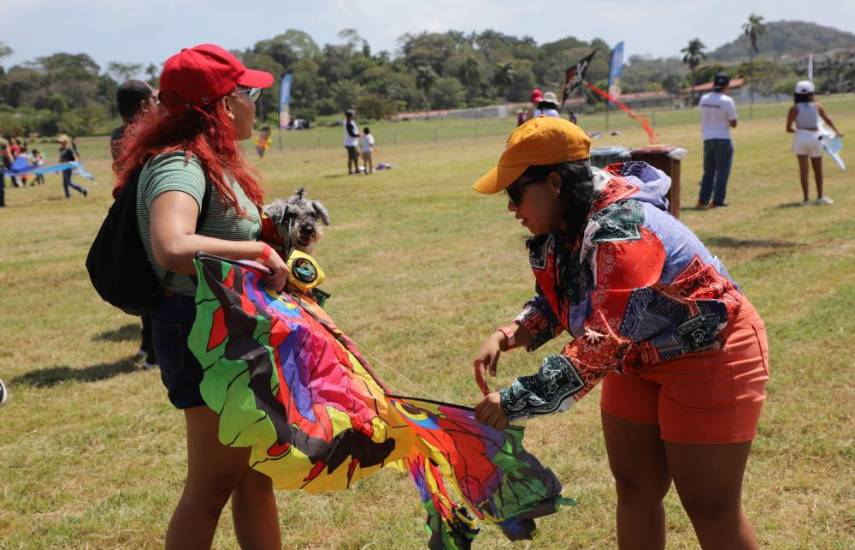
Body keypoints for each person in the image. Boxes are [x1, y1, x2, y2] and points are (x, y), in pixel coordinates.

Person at [471, 117, 769, 550]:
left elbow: (603, 341)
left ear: (554, 183)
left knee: (710, 506)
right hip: (638, 355)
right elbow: (568, 299)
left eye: (516, 194)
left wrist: (514, 400)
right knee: (635, 487)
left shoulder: (624, 230)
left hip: (709, 352)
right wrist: (511, 332)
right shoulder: (568, 222)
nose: (511, 208)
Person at [112, 43, 287, 550]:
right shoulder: (179, 164)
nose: (256, 102)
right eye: (248, 92)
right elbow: (173, 245)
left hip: (230, 328)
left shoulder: (208, 159)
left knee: (256, 473)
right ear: (223, 103)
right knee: (211, 485)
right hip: (201, 332)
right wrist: (255, 250)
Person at [111, 79, 159, 369]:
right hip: (147, 212)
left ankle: (146, 344)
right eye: (154, 99)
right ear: (144, 105)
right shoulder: (145, 135)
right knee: (155, 283)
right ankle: (154, 350)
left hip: (128, 211)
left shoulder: (117, 134)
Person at [785, 80, 842, 206]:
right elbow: (828, 120)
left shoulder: (794, 108)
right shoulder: (817, 106)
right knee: (818, 169)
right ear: (811, 93)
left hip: (800, 137)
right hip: (816, 137)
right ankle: (820, 197)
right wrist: (837, 132)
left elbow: (788, 128)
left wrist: (798, 131)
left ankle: (806, 200)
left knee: (804, 171)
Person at [696, 73, 738, 209]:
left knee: (708, 172)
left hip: (707, 138)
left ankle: (702, 200)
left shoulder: (704, 99)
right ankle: (717, 201)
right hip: (723, 138)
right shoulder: (727, 100)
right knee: (722, 172)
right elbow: (733, 122)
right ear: (726, 85)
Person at [111, 79, 156, 161]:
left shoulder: (117, 136)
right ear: (144, 105)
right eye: (154, 99)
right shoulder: (151, 137)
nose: (157, 104)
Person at [343, 109, 360, 174]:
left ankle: (356, 169)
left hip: (353, 142)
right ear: (350, 116)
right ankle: (350, 171)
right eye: (352, 114)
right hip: (350, 143)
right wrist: (358, 135)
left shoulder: (350, 121)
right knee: (351, 157)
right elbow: (351, 134)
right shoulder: (348, 123)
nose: (354, 115)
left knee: (357, 155)